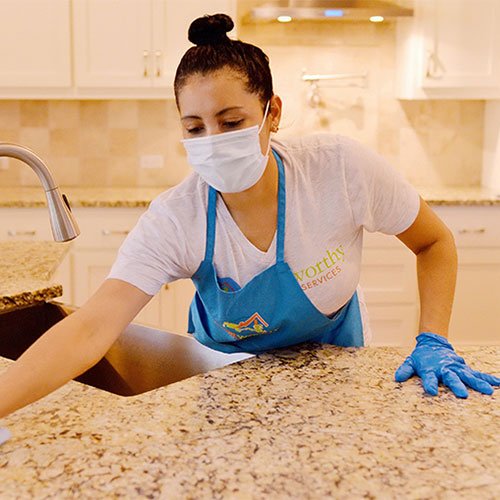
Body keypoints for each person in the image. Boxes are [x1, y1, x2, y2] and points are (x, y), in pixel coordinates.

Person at [1, 14, 498, 420]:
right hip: (223, 379)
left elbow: (434, 242)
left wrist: (433, 339)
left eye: (231, 122)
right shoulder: (176, 218)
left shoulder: (339, 170)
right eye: (195, 128)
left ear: (272, 113)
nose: (213, 141)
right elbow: (91, 328)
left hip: (336, 370)